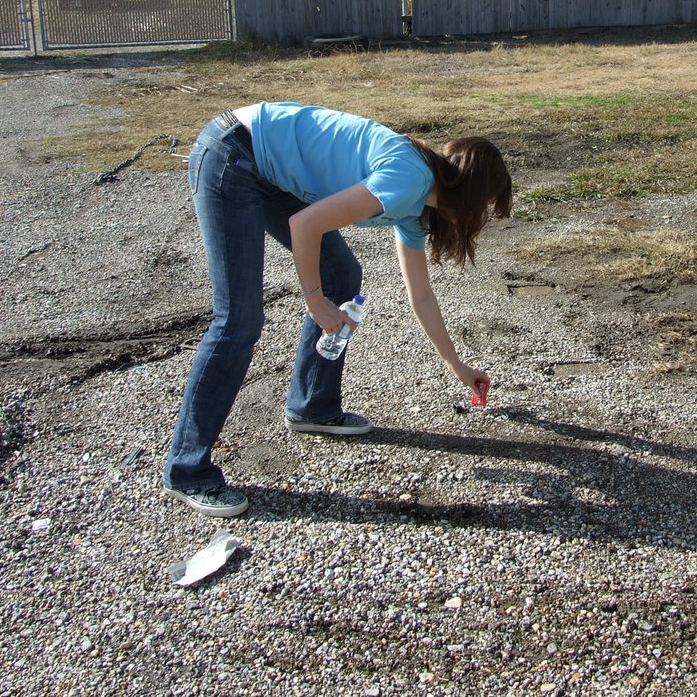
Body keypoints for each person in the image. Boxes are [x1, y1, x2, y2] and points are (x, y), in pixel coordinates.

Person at [163, 102, 513, 516]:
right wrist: (316, 303)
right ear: (470, 193)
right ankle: (187, 470)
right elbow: (306, 225)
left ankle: (312, 405)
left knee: (341, 272)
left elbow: (420, 295)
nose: (481, 217)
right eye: (485, 205)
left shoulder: (418, 203)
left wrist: (456, 365)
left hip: (268, 167)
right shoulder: (409, 179)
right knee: (238, 321)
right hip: (234, 152)